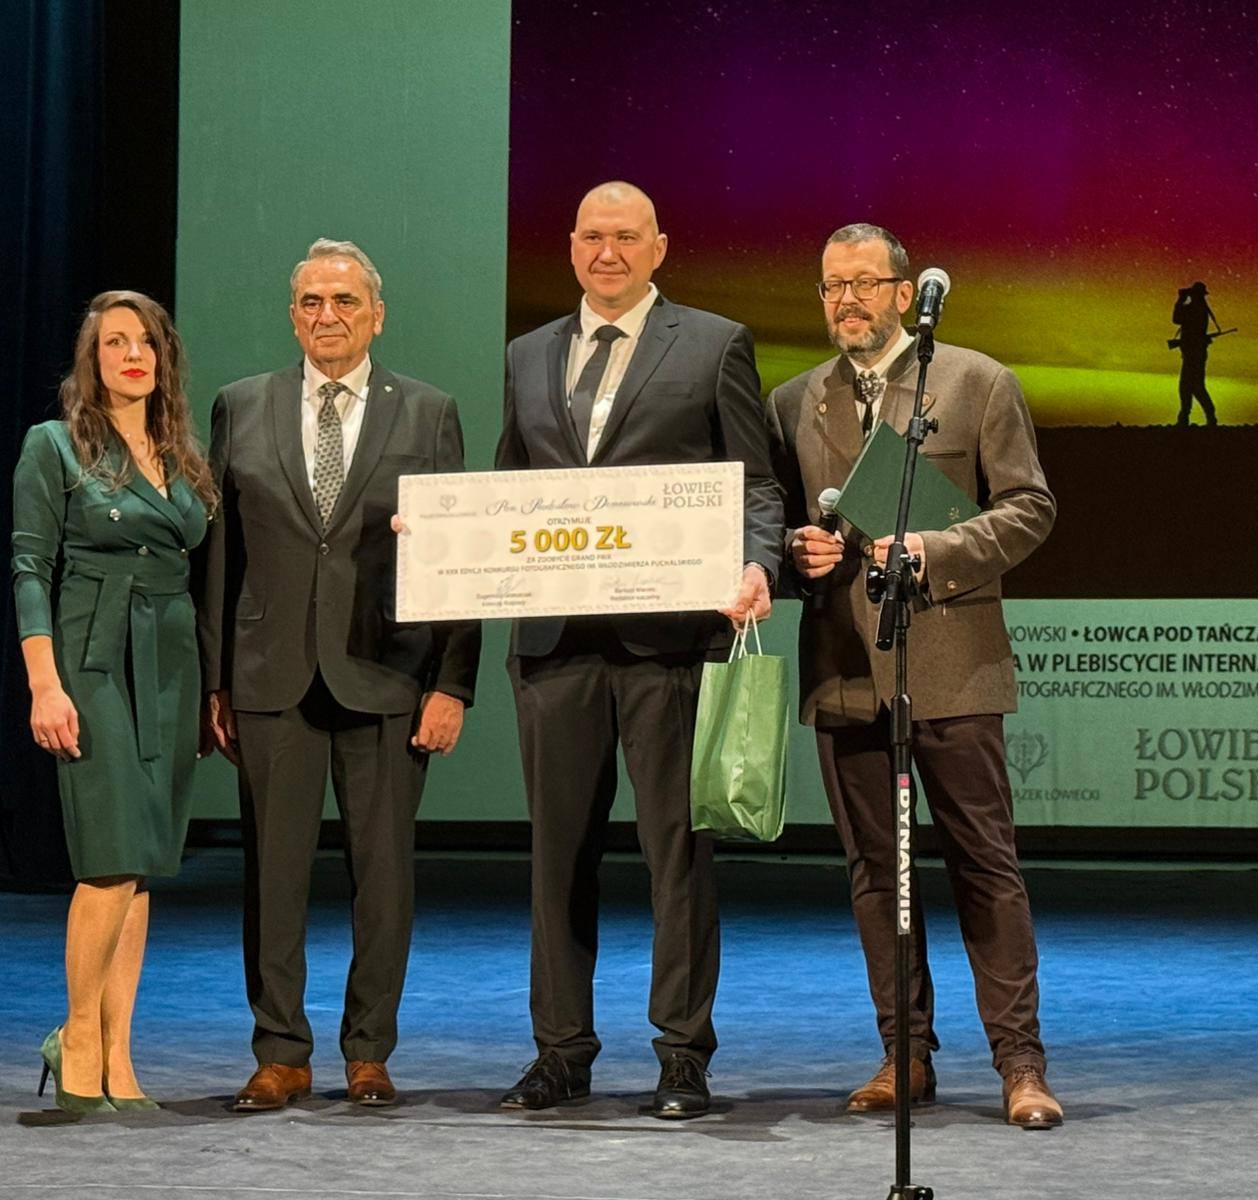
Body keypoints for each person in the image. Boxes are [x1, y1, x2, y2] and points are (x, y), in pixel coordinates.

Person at [495, 181, 783, 1120]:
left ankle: (682, 1057)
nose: (607, 252)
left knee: (677, 858)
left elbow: (756, 484)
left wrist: (758, 564)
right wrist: (449, 543)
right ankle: (559, 1053)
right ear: (571, 246)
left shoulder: (713, 343)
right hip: (554, 645)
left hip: (671, 644)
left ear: (660, 247)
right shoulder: (528, 354)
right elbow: (508, 491)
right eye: (592, 236)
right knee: (556, 859)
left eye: (626, 236)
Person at [766, 224, 1063, 1129]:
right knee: (876, 872)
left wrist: (935, 548)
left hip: (953, 663)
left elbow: (1030, 508)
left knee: (985, 865)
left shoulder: (975, 381)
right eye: (831, 286)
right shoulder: (794, 400)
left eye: (863, 284)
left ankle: (1020, 1064)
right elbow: (776, 528)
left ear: (904, 293)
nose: (846, 301)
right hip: (845, 669)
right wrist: (799, 553)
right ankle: (905, 1054)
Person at [198, 239, 480, 1112]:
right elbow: (220, 554)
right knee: (272, 877)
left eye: (345, 301)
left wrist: (453, 683)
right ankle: (280, 1052)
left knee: (383, 879)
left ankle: (368, 1052)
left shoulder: (428, 412)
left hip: (388, 676)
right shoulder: (241, 404)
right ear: (293, 316)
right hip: (269, 676)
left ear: (377, 315)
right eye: (312, 301)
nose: (329, 315)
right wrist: (215, 680)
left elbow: (459, 554)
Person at [12, 291, 216, 1113]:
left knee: (144, 862)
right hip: (92, 657)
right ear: (91, 361)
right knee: (110, 855)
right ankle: (76, 1040)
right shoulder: (54, 446)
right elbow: (30, 566)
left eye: (147, 343)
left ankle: (118, 1055)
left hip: (169, 661)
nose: (134, 356)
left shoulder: (181, 454)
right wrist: (44, 682)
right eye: (115, 343)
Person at [1172, 281, 1219, 426]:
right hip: (1194, 353)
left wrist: (1180, 300)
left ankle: (1194, 417)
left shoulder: (1195, 309)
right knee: (1191, 386)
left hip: (1194, 354)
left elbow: (1176, 319)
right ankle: (1191, 417)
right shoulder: (1198, 309)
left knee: (1192, 386)